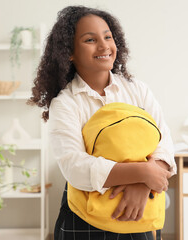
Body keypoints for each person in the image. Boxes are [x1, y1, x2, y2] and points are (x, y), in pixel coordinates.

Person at [28, 5, 177, 240]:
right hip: (84, 219)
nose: (104, 45)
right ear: (69, 52)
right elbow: (75, 167)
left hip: (138, 213)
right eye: (90, 40)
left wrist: (144, 184)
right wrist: (142, 172)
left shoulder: (137, 90)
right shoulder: (66, 103)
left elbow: (164, 143)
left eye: (108, 37)